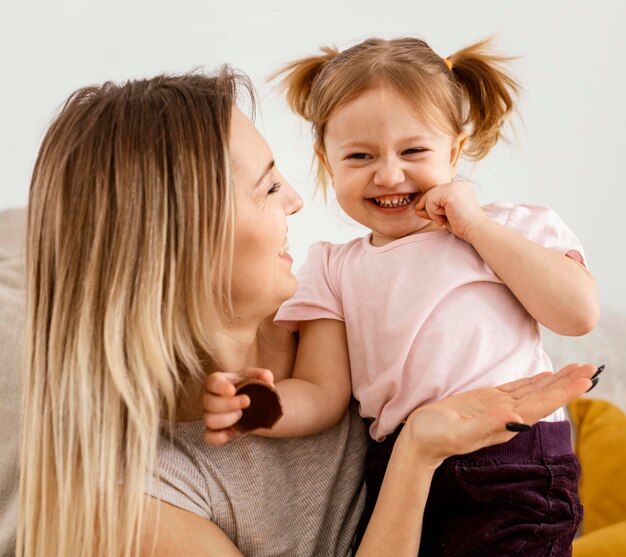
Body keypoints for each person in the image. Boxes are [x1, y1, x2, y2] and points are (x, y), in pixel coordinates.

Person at [17, 66, 598, 557]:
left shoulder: (330, 305)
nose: (297, 199)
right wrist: (418, 452)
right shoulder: (143, 501)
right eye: (269, 188)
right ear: (183, 238)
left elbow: (564, 311)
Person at [204, 37, 600, 555]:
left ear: (455, 150)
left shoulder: (508, 227)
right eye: (360, 156)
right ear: (327, 161)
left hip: (513, 457)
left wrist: (477, 227)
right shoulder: (332, 267)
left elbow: (578, 314)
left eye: (413, 151)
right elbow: (323, 393)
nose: (389, 174)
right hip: (399, 469)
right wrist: (258, 409)